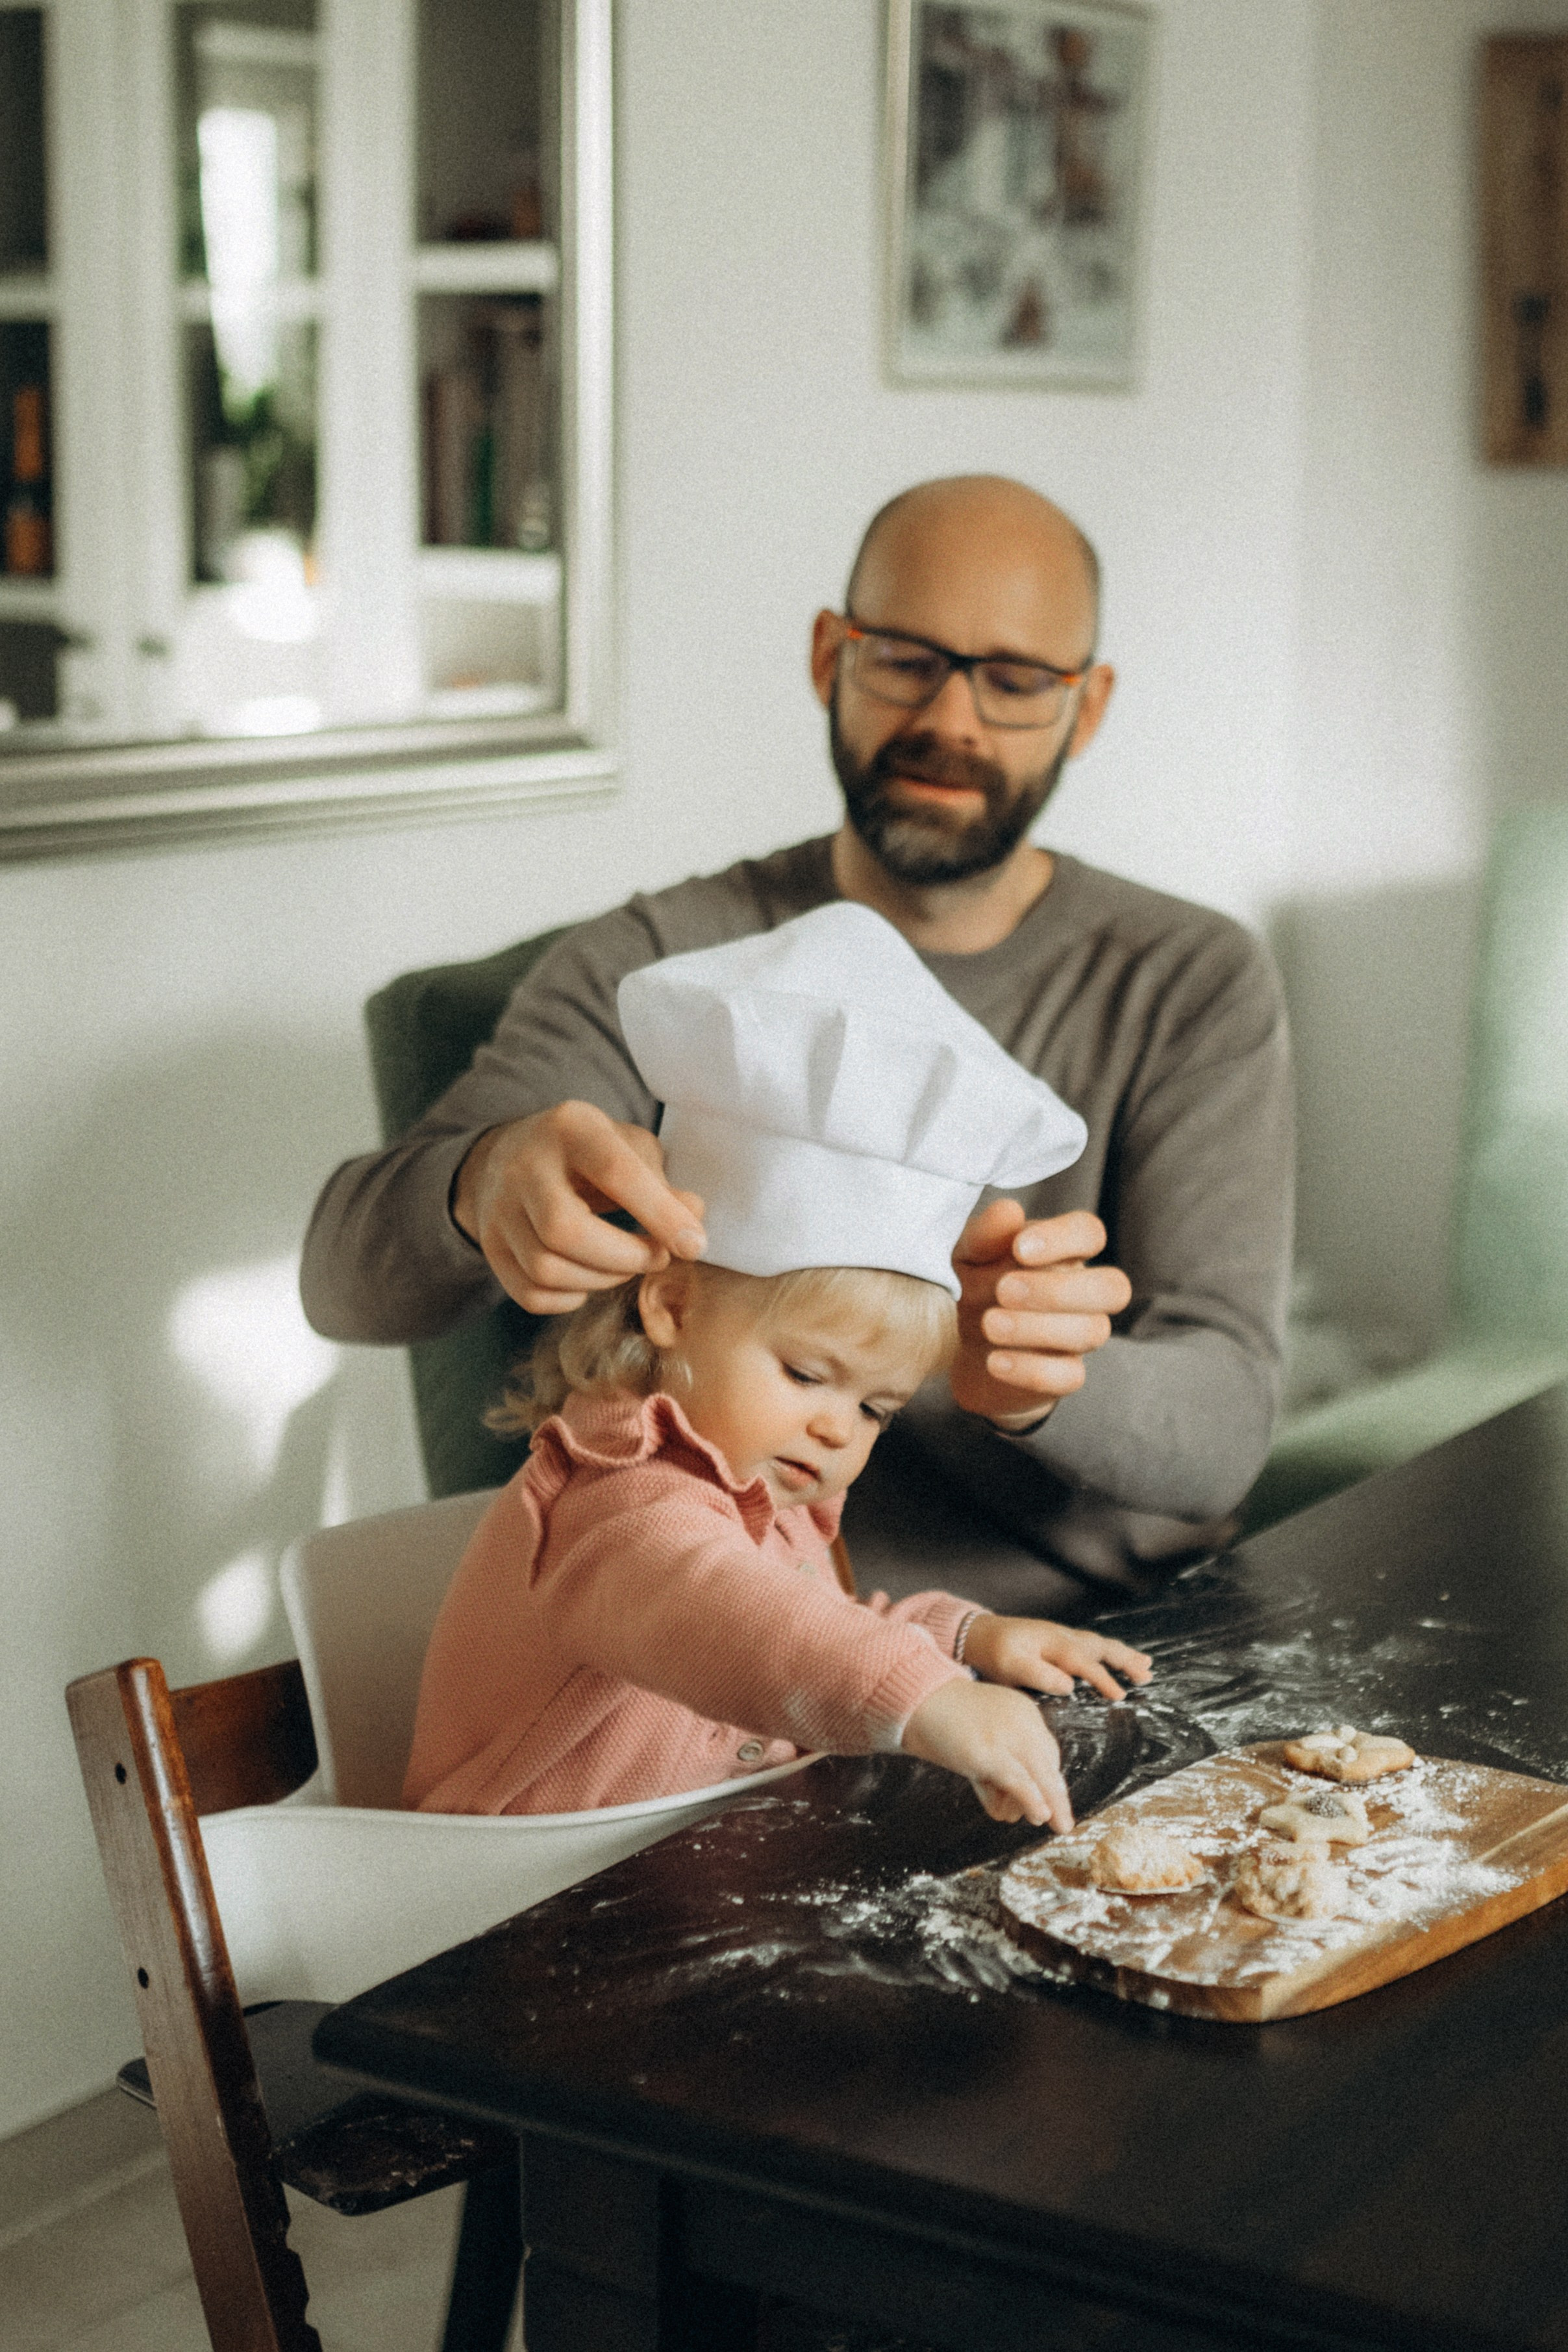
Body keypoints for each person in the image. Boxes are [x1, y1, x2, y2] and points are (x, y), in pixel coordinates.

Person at [303, 475, 1293, 1601]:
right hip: (730, 1651)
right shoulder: (667, 966)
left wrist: (1038, 1381)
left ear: (1090, 705)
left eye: (1015, 681)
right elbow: (343, 1277)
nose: (951, 721)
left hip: (1097, 1641)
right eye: (905, 660)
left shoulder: (1190, 979)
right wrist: (478, 1187)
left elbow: (1226, 1425)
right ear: (831, 656)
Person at [403, 905, 1152, 1825]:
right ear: (669, 1304)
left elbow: (813, 1614)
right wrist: (928, 1697)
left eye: (877, 1407)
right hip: (506, 1909)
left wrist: (965, 1636)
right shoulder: (613, 1497)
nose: (840, 1425)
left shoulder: (769, 1493)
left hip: (670, 1878)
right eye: (806, 1374)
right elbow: (731, 1617)